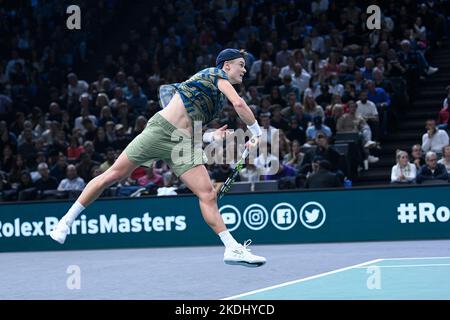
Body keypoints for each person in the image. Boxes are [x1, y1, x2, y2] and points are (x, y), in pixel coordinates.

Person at [50, 49, 266, 267]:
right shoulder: (213, 74)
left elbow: (191, 129)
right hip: (159, 131)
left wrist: (212, 136)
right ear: (226, 65)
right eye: (241, 64)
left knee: (208, 194)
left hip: (183, 142)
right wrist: (257, 132)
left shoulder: (217, 102)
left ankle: (231, 248)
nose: (244, 69)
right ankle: (65, 222)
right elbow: (239, 104)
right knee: (112, 175)